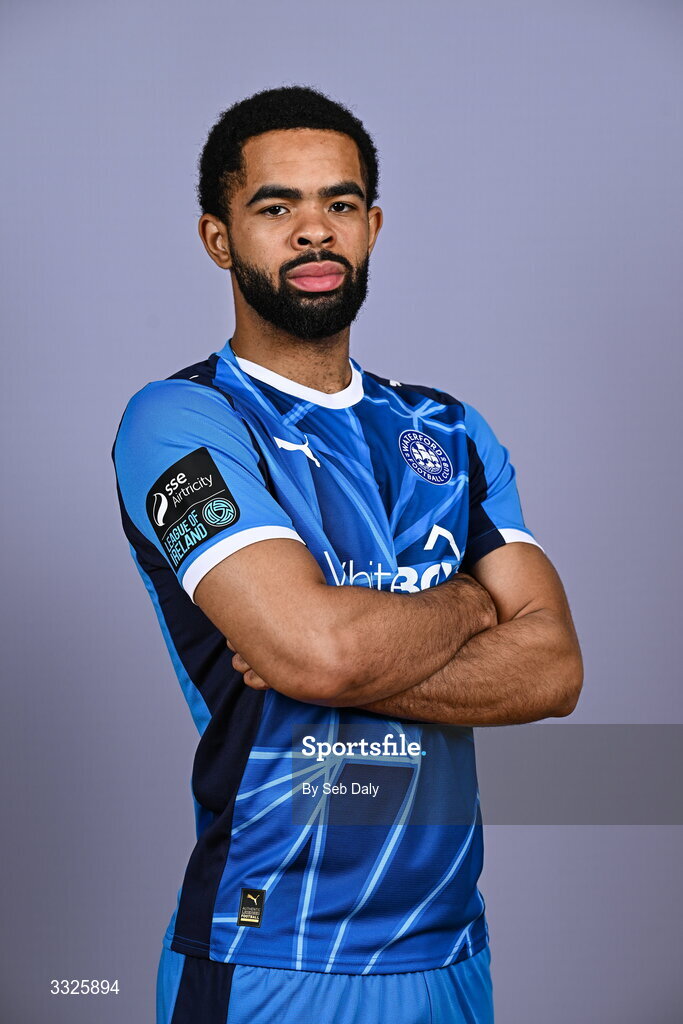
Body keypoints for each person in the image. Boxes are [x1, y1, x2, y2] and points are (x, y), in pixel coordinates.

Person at [112, 85, 582, 1024]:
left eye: (339, 203)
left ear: (372, 226)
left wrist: (322, 651)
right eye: (275, 207)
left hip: (451, 951)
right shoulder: (179, 422)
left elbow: (554, 670)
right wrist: (466, 606)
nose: (313, 232)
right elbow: (316, 652)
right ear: (219, 238)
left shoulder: (447, 429)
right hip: (274, 951)